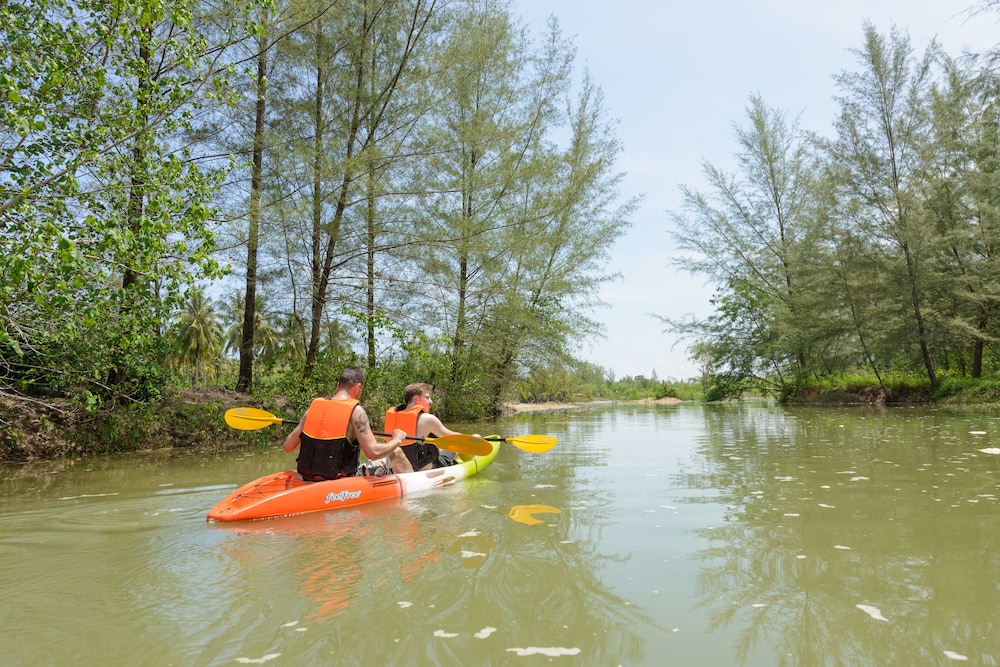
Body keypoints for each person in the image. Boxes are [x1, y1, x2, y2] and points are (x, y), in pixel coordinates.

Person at [283, 368, 413, 480]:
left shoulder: (313, 408)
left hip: (307, 475)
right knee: (397, 452)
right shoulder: (356, 411)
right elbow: (374, 453)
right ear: (357, 387)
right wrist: (397, 439)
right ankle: (415, 489)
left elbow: (288, 446)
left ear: (338, 386)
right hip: (341, 479)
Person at [384, 382, 460, 470]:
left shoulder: (392, 418)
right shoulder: (428, 419)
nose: (430, 401)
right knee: (453, 449)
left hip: (397, 470)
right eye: (427, 398)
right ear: (416, 399)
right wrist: (471, 438)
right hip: (425, 471)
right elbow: (454, 438)